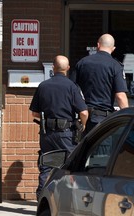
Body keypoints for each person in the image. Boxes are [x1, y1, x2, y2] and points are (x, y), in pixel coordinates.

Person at [29, 55, 88, 200]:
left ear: (53, 68)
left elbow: (34, 113)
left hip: (47, 134)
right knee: (71, 166)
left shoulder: (43, 86)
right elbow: (84, 112)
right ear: (67, 68)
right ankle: (69, 199)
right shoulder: (72, 87)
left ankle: (42, 199)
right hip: (66, 134)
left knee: (47, 166)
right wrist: (83, 125)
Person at [71, 33, 129, 135]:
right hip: (102, 120)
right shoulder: (115, 66)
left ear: (98, 45)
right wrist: (128, 119)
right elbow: (120, 96)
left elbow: (71, 89)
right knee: (102, 150)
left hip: (82, 118)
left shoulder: (82, 62)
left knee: (83, 150)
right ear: (113, 48)